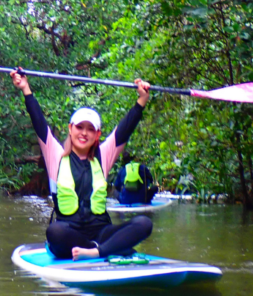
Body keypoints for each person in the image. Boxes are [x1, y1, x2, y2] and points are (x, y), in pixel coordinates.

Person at [11, 67, 152, 261]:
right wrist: (26, 89)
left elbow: (125, 129)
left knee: (144, 223)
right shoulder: (57, 156)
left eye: (90, 129)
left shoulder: (103, 156)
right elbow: (39, 122)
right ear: (70, 129)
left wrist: (142, 100)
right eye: (79, 127)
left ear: (97, 135)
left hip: (102, 235)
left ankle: (96, 252)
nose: (84, 133)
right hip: (70, 237)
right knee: (55, 231)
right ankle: (108, 249)